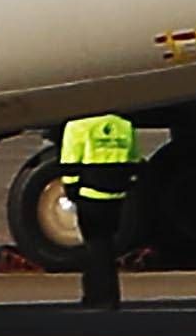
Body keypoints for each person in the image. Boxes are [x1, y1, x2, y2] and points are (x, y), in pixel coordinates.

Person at [57, 112, 144, 312]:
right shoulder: (124, 125)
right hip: (116, 194)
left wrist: (71, 190)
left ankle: (101, 297)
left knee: (96, 248)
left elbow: (70, 163)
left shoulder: (77, 125)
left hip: (90, 193)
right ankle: (103, 295)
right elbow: (135, 160)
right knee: (106, 246)